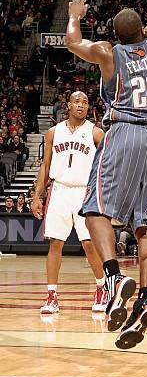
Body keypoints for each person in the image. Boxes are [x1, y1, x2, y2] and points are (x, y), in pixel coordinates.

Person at [66, 0, 147, 349]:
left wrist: (75, 13)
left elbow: (73, 42)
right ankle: (145, 299)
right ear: (143, 30)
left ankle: (113, 277)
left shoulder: (109, 54)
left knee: (93, 211)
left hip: (127, 133)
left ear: (115, 32)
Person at [31, 92, 107, 315]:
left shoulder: (96, 132)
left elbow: (105, 166)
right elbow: (46, 166)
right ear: (68, 105)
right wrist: (37, 195)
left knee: (89, 244)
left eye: (85, 102)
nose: (81, 105)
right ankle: (52, 296)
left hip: (85, 191)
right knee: (55, 243)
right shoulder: (53, 133)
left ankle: (101, 287)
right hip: (59, 189)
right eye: (77, 101)